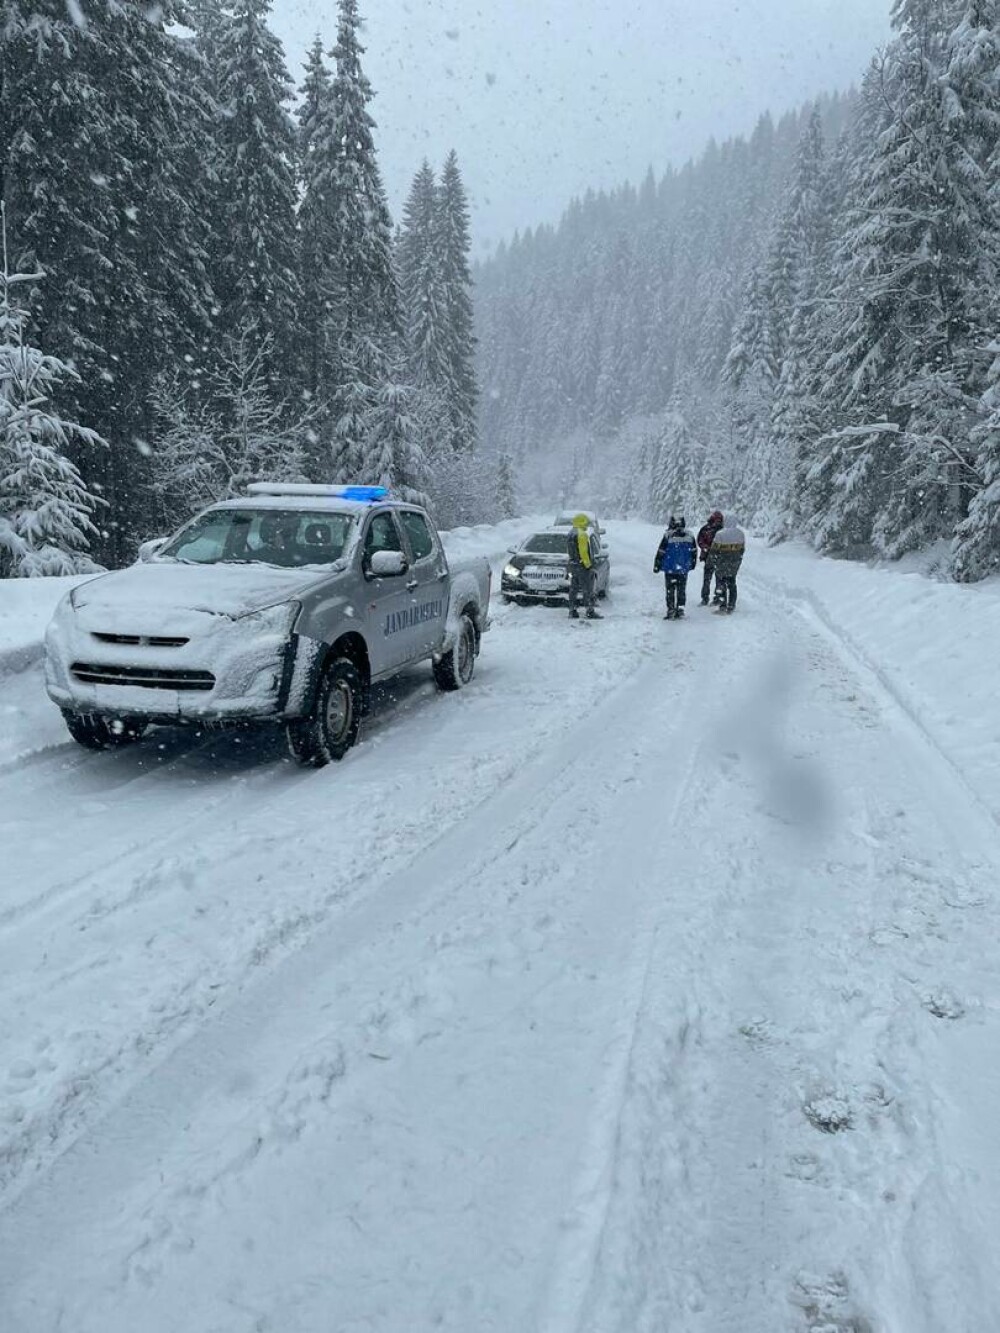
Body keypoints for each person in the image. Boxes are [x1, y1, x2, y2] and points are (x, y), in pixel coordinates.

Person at [653, 515, 698, 619]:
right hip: (683, 568)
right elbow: (694, 551)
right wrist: (692, 563)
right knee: (681, 589)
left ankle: (671, 610)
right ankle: (680, 609)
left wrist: (657, 564)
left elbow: (661, 551)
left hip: (669, 568)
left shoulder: (668, 535)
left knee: (670, 590)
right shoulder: (690, 536)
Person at [567, 513, 602, 619]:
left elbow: (570, 550)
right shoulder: (582, 534)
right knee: (587, 589)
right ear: (582, 522)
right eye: (586, 522)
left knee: (574, 589)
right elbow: (583, 551)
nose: (587, 525)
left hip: (573, 564)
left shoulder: (570, 533)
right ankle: (589, 610)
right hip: (582, 565)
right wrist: (588, 565)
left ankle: (572, 610)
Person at [712, 517, 746, 613]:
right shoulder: (741, 534)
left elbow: (714, 550)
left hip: (722, 563)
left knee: (721, 583)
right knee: (732, 583)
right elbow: (742, 549)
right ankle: (731, 605)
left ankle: (723, 605)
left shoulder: (720, 534)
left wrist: (715, 561)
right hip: (734, 563)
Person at [697, 510, 725, 606]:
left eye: (719, 520)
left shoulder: (709, 529)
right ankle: (709, 598)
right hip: (713, 557)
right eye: (716, 520)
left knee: (713, 579)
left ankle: (713, 598)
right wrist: (706, 548)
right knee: (712, 579)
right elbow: (700, 540)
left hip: (716, 557)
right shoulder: (708, 529)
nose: (717, 522)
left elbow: (700, 540)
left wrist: (706, 548)